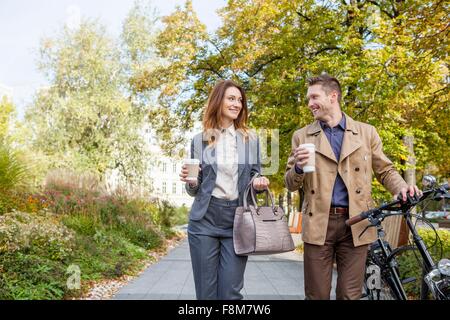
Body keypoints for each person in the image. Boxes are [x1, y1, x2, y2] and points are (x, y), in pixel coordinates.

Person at [284, 73, 421, 300]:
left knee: (350, 295)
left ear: (333, 97)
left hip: (357, 223)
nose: (310, 104)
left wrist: (402, 188)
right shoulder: (302, 136)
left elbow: (385, 170)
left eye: (314, 97)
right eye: (308, 99)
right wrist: (298, 168)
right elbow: (289, 183)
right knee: (316, 295)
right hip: (319, 222)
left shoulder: (366, 132)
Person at [180, 80, 270, 300]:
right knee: (206, 294)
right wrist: (190, 181)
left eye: (240, 100)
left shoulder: (251, 140)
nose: (237, 104)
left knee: (230, 293)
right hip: (205, 219)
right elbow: (195, 188)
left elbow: (254, 175)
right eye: (231, 98)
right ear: (218, 101)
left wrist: (259, 183)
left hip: (237, 219)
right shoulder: (199, 140)